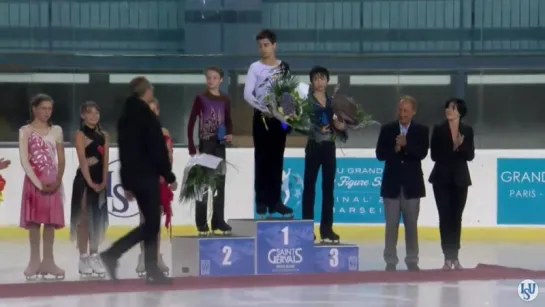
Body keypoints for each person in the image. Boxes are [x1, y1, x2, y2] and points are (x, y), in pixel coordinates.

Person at [100, 76, 177, 285]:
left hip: (133, 175)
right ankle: (114, 253)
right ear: (147, 91)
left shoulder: (125, 117)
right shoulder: (147, 117)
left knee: (150, 223)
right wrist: (168, 175)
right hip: (147, 174)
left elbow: (123, 150)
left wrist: (125, 181)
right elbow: (156, 149)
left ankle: (151, 269)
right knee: (151, 223)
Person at [375, 96, 429, 272]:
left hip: (412, 187)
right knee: (391, 226)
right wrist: (395, 149)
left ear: (413, 111)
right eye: (400, 110)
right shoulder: (387, 129)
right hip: (391, 186)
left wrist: (406, 146)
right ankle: (390, 260)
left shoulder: (421, 130)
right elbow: (380, 154)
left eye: (406, 110)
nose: (402, 114)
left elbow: (422, 153)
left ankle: (412, 259)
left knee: (412, 226)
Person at [243, 29, 293, 218]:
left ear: (274, 45)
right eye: (260, 46)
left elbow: (288, 92)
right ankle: (262, 200)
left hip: (279, 118)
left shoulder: (284, 67)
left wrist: (289, 117)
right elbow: (247, 93)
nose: (263, 49)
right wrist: (261, 108)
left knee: (277, 159)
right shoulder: (255, 68)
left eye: (266, 45)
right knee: (262, 158)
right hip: (262, 117)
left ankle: (276, 202)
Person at [19, 94, 66, 280]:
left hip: (53, 182)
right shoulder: (25, 131)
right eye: (43, 108)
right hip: (34, 183)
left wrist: (57, 180)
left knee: (50, 222)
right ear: (34, 109)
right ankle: (34, 261)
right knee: (34, 223)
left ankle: (49, 261)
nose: (47, 112)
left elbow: (61, 158)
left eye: (49, 109)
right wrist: (39, 184)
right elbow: (24, 160)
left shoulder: (57, 131)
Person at [301, 66, 347, 243]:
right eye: (316, 79)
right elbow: (298, 125)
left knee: (328, 190)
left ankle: (326, 229)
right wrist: (315, 128)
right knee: (309, 189)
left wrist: (342, 128)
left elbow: (342, 127)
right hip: (313, 146)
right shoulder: (306, 102)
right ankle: (306, 228)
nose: (319, 82)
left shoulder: (334, 102)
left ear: (327, 81)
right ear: (311, 82)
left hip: (329, 147)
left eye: (322, 78)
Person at [429, 98, 474, 271]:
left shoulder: (467, 131)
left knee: (456, 217)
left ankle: (455, 256)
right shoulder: (439, 129)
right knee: (445, 216)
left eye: (453, 108)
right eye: (447, 107)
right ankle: (447, 257)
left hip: (460, 179)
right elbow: (434, 155)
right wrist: (452, 147)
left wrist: (460, 147)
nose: (449, 110)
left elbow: (470, 155)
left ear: (460, 112)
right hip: (441, 178)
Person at [187, 66, 233, 235]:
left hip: (220, 145)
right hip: (205, 144)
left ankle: (218, 220)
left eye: (214, 78)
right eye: (208, 78)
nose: (211, 81)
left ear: (221, 80)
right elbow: (192, 121)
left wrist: (229, 134)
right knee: (204, 185)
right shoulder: (200, 98)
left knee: (219, 184)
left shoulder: (225, 99)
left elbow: (228, 120)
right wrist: (192, 144)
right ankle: (201, 222)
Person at [70, 101, 109, 278]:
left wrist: (103, 182)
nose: (94, 116)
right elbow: (82, 160)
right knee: (84, 219)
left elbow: (105, 162)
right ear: (83, 115)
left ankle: (94, 254)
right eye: (89, 113)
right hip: (84, 181)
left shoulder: (104, 135)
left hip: (99, 181)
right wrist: (90, 182)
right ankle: (83, 256)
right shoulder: (80, 134)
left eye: (96, 113)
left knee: (98, 219)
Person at [134, 97, 171, 277]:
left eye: (154, 110)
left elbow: (168, 157)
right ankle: (144, 256)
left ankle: (156, 256)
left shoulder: (164, 132)